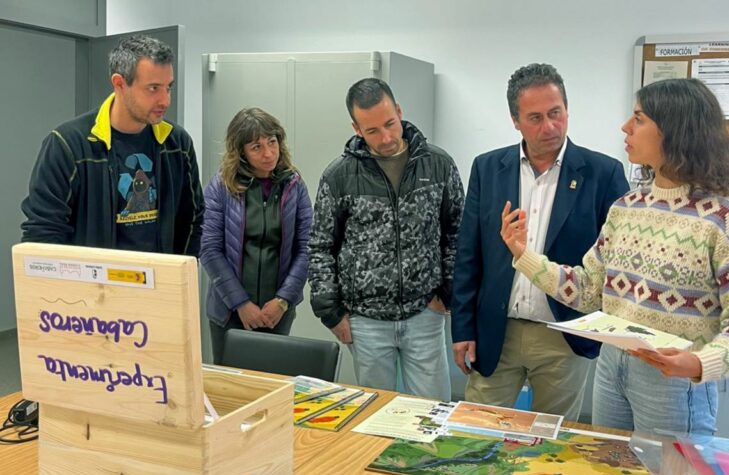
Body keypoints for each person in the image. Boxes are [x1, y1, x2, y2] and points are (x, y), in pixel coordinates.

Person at [501, 78, 729, 434]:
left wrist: (700, 362)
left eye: (639, 119)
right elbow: (589, 289)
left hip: (674, 382)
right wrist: (524, 256)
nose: (625, 127)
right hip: (611, 368)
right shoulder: (627, 207)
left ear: (675, 130)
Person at [451, 63, 629, 421]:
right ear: (515, 120)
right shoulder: (487, 168)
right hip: (496, 330)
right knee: (475, 431)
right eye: (535, 117)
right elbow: (468, 254)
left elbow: (618, 261)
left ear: (566, 109)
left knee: (552, 445)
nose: (549, 127)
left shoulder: (602, 173)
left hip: (563, 336)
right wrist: (463, 329)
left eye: (556, 113)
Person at [309, 78, 464, 401]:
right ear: (356, 128)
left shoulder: (438, 165)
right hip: (365, 321)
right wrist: (332, 314)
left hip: (425, 312)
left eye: (390, 124)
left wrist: (447, 295)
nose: (387, 138)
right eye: (373, 131)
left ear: (399, 111)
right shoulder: (339, 176)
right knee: (374, 417)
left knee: (432, 414)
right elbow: (321, 248)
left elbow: (457, 234)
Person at [20, 35, 204, 255]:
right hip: (92, 287)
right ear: (119, 84)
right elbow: (43, 234)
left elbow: (194, 220)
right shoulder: (68, 145)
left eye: (169, 88)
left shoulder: (177, 144)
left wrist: (180, 277)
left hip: (161, 286)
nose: (165, 100)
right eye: (153, 88)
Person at [201, 108, 312, 364]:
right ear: (240, 152)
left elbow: (307, 248)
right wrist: (241, 304)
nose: (268, 153)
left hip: (277, 311)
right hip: (229, 312)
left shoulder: (294, 185)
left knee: (272, 386)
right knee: (232, 391)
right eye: (256, 147)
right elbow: (209, 249)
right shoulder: (221, 187)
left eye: (272, 142)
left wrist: (283, 300)